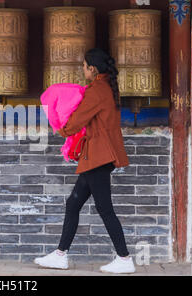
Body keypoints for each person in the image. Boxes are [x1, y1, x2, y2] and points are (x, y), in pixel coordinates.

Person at [34, 48, 136, 274]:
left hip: (99, 156)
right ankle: (61, 254)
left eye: (84, 66)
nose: (82, 70)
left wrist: (63, 130)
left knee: (104, 208)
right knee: (73, 203)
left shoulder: (97, 90)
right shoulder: (106, 87)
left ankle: (124, 258)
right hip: (98, 155)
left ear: (92, 68)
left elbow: (79, 118)